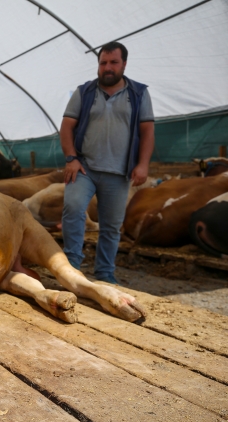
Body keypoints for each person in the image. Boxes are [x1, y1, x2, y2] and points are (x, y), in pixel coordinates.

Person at [60, 41, 155, 284]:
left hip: (119, 171)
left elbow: (147, 132)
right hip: (85, 168)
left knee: (111, 226)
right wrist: (71, 158)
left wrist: (142, 164)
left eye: (113, 62)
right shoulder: (84, 92)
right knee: (73, 208)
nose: (107, 68)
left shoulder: (139, 93)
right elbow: (67, 127)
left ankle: (104, 274)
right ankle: (71, 267)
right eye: (103, 63)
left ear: (124, 64)